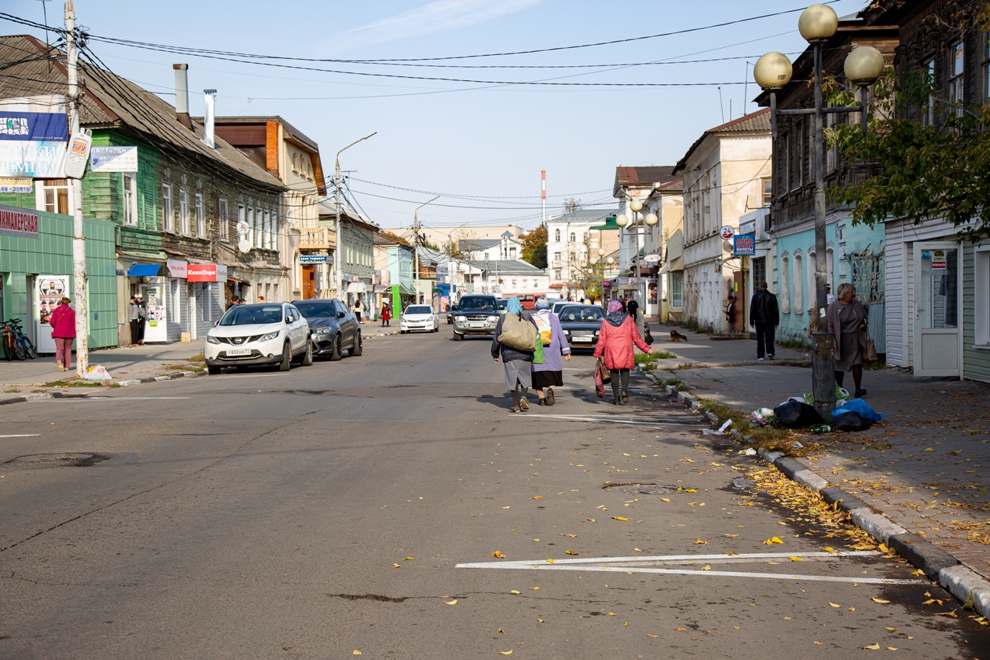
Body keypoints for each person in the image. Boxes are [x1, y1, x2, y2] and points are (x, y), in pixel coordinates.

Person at [594, 300, 653, 405]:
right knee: (625, 371)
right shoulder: (629, 320)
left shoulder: (605, 321)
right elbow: (637, 337)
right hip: (626, 349)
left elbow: (602, 339)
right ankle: (624, 390)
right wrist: (647, 349)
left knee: (614, 373)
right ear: (620, 308)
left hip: (611, 350)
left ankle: (616, 398)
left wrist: (598, 354)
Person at [492, 297, 538, 413]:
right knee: (524, 377)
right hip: (526, 353)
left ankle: (516, 405)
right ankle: (524, 396)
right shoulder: (527, 317)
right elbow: (535, 330)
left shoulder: (503, 318)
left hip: (509, 355)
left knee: (513, 380)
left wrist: (495, 353)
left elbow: (497, 337)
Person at [828, 282, 869, 398]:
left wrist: (863, 325)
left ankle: (858, 389)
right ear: (844, 293)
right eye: (851, 292)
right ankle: (840, 388)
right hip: (841, 339)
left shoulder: (856, 304)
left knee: (857, 364)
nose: (853, 294)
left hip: (856, 339)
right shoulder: (834, 306)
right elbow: (830, 324)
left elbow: (864, 317)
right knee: (839, 365)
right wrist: (833, 341)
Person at [530, 298, 571, 406]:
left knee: (537, 375)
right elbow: (560, 334)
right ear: (548, 306)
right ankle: (551, 389)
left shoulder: (532, 318)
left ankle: (541, 399)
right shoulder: (554, 317)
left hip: (537, 349)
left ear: (536, 306)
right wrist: (566, 350)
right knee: (554, 374)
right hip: (552, 349)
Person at [749, 281, 779, 361]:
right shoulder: (772, 297)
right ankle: (770, 352)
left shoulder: (755, 296)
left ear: (760, 287)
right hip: (770, 320)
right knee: (770, 337)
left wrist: (751, 321)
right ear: (767, 287)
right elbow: (776, 310)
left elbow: (753, 309)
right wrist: (776, 321)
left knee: (760, 338)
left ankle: (761, 355)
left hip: (759, 320)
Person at [49, 297, 75, 372]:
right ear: (68, 303)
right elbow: (74, 323)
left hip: (58, 332)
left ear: (61, 302)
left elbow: (52, 322)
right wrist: (74, 332)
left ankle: (59, 360)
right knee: (68, 349)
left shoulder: (56, 311)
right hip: (69, 333)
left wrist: (56, 327)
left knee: (59, 348)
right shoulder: (71, 312)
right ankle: (67, 366)